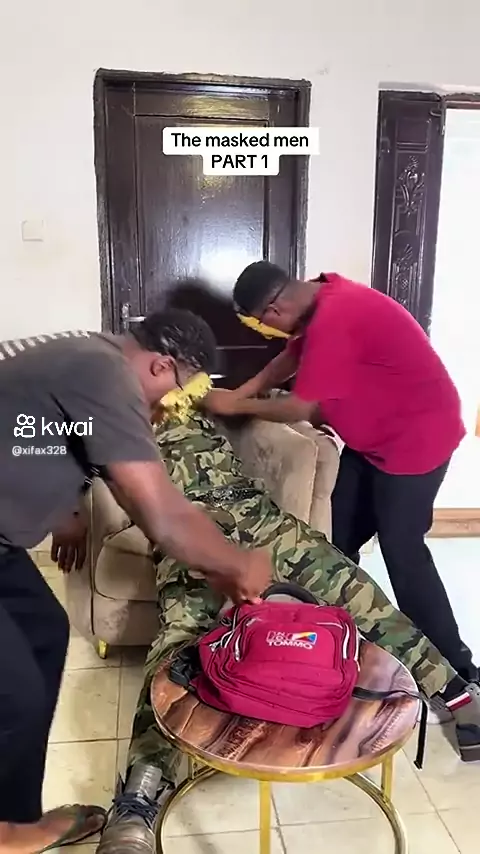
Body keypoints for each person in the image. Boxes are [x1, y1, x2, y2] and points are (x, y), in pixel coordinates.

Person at [52, 410, 480, 854]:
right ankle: (139, 798)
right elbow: (55, 452)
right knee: (179, 641)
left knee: (356, 591)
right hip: (187, 526)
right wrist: (70, 509)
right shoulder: (101, 411)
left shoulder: (190, 399)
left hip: (260, 517)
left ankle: (458, 696)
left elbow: (255, 399)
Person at [0, 310, 272, 854]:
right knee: (16, 692)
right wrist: (237, 564)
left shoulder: (87, 353)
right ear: (161, 365)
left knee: (44, 631)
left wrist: (67, 509)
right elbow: (161, 513)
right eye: (175, 389)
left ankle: (15, 818)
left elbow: (37, 434)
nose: (166, 405)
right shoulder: (105, 374)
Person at [203, 261, 478, 685]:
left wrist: (236, 406)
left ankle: (457, 671)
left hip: (416, 442)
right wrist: (241, 392)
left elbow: (302, 407)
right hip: (372, 447)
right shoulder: (319, 298)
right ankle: (332, 640)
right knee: (334, 541)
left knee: (403, 551)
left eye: (262, 324)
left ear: (274, 310)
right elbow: (290, 357)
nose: (267, 332)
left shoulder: (336, 316)